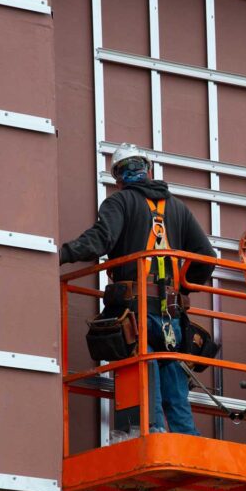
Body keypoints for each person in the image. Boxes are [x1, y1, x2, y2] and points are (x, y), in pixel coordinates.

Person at [60, 143, 216, 440]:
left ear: (118, 178)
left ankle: (152, 433)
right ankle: (185, 439)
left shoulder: (119, 202)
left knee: (146, 368)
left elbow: (99, 240)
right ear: (149, 170)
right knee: (171, 371)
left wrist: (61, 253)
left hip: (136, 310)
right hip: (171, 312)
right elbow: (205, 255)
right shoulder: (177, 207)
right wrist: (181, 289)